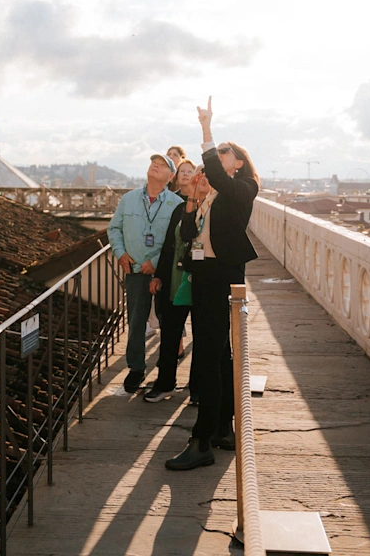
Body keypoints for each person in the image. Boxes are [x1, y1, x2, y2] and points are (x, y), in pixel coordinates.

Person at [165, 97, 259, 471]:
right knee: (219, 357)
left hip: (223, 279)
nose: (219, 155)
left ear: (238, 162)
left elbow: (217, 175)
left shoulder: (243, 189)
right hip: (203, 277)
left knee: (207, 355)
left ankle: (201, 440)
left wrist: (206, 131)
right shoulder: (212, 196)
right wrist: (192, 201)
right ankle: (222, 427)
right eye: (217, 150)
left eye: (225, 152)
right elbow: (187, 234)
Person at [107, 153, 184, 393]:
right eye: (153, 163)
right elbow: (114, 228)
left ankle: (164, 369)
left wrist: (157, 262)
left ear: (170, 176)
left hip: (165, 271)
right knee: (136, 320)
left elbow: (177, 240)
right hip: (135, 270)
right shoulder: (128, 200)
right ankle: (136, 368)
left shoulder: (176, 204)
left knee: (168, 321)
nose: (155, 166)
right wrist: (120, 253)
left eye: (161, 166)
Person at [146, 159, 198, 402]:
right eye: (184, 173)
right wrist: (159, 276)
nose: (190, 178)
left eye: (194, 173)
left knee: (202, 337)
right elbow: (169, 245)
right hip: (176, 282)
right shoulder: (180, 208)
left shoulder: (211, 207)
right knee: (169, 334)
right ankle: (166, 382)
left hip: (200, 283)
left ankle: (198, 389)